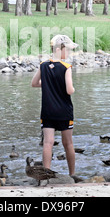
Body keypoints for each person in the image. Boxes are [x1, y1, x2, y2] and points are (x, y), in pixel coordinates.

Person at [31, 35, 77, 177]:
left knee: (48, 143)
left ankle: (46, 173)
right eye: (67, 50)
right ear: (58, 49)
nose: (68, 53)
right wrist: (73, 89)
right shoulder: (66, 67)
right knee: (68, 143)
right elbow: (69, 90)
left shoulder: (43, 65)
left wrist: (47, 85)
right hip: (64, 111)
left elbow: (34, 83)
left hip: (47, 111)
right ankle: (72, 174)